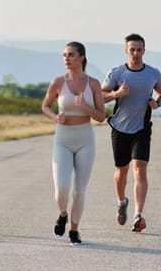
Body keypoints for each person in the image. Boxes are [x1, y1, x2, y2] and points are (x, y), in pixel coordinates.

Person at [101, 33, 161, 232]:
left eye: (139, 50)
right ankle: (122, 202)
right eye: (132, 50)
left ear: (144, 51)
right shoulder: (117, 73)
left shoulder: (153, 73)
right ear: (126, 51)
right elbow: (100, 97)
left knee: (139, 168)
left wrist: (158, 102)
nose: (136, 53)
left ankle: (138, 215)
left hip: (142, 128)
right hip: (120, 128)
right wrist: (117, 94)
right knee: (121, 171)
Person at [41, 41, 105, 245]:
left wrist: (85, 106)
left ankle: (74, 230)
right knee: (61, 187)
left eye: (71, 55)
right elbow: (45, 106)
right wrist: (54, 117)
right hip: (63, 139)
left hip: (85, 138)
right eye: (64, 55)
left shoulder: (93, 84)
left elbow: (101, 117)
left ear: (82, 58)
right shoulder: (58, 82)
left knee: (79, 190)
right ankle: (62, 214)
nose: (66, 58)